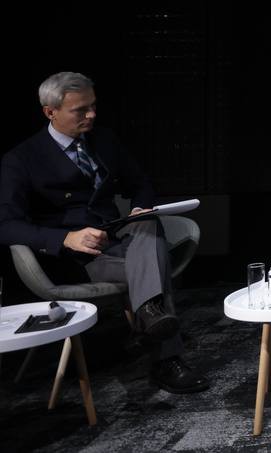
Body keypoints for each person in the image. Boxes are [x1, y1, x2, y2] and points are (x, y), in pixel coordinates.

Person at [0, 72, 208, 393]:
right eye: (80, 110)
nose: (92, 115)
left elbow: (141, 184)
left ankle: (148, 315)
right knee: (155, 265)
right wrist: (65, 238)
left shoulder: (104, 140)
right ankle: (165, 356)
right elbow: (6, 225)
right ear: (50, 112)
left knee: (148, 223)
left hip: (117, 239)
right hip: (75, 257)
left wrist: (140, 207)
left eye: (93, 106)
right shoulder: (21, 159)